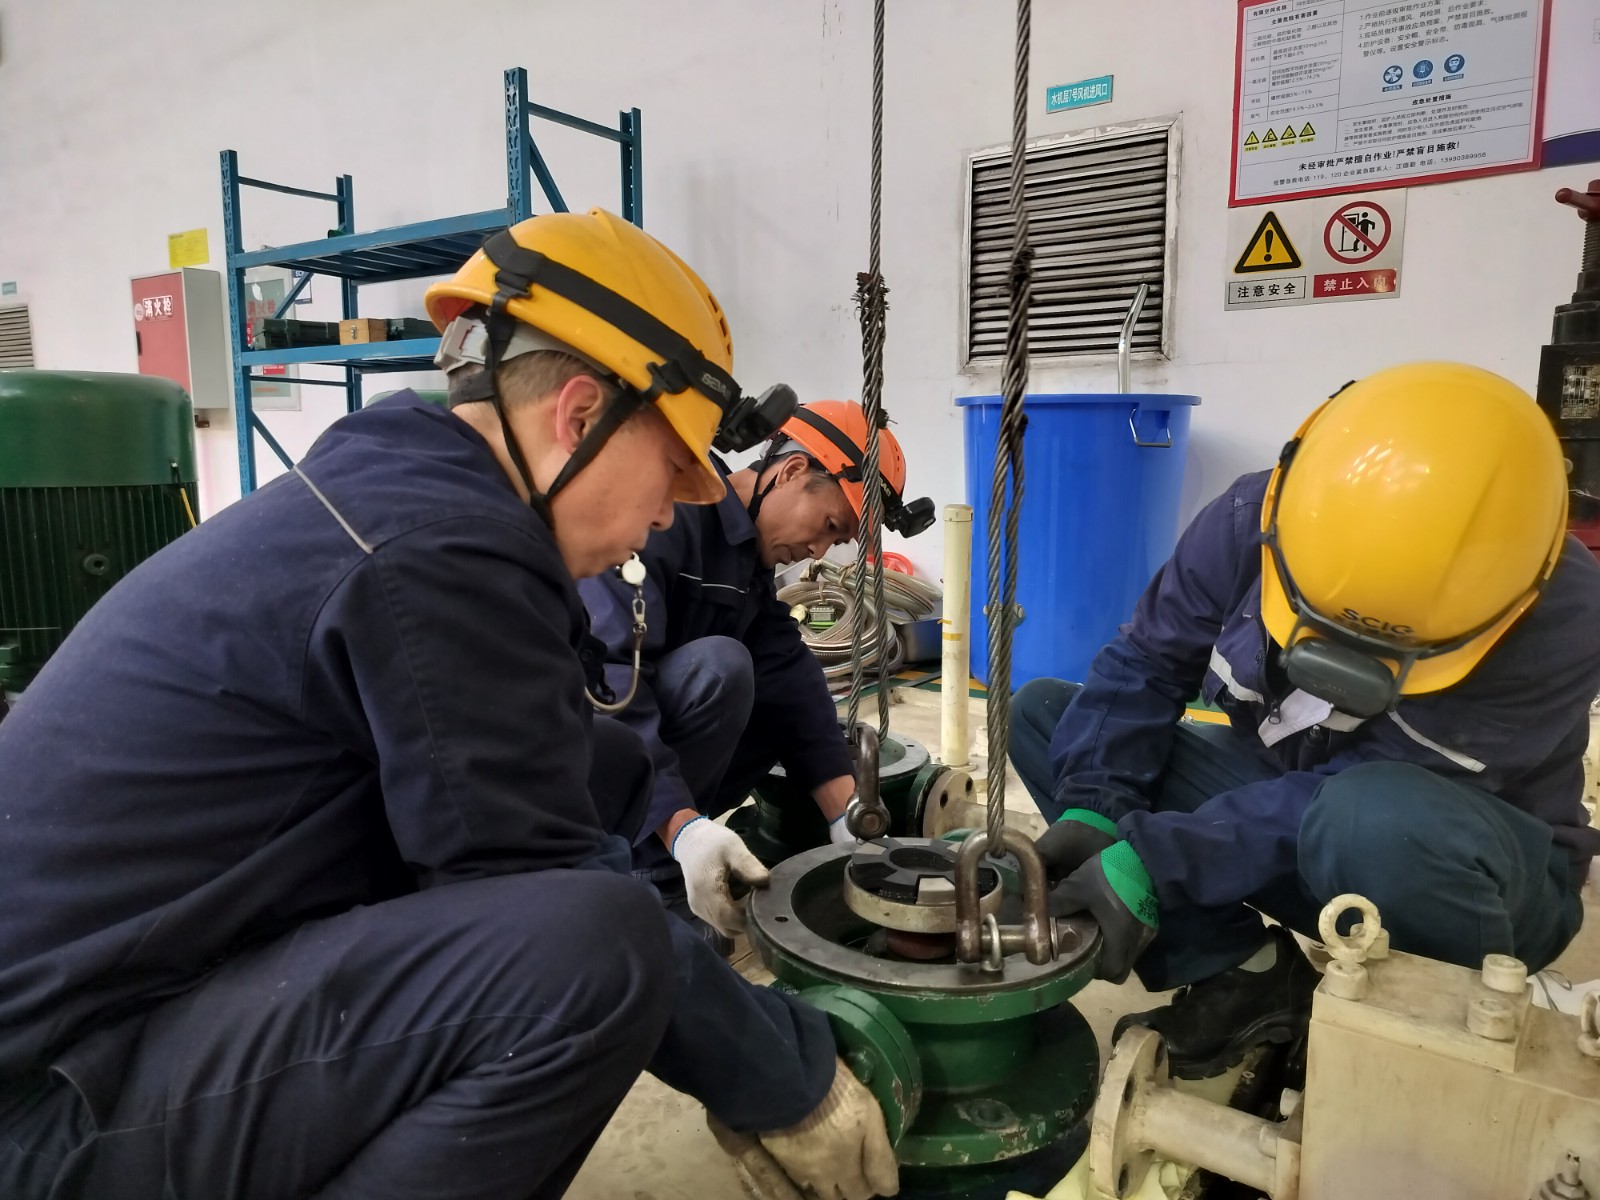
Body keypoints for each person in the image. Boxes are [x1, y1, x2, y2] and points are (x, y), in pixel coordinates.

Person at [0, 209, 897, 1200]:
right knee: (601, 952)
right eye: (666, 473)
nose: (664, 512)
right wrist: (791, 1079)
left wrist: (690, 831)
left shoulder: (402, 496)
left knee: (601, 786)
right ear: (579, 416)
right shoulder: (438, 551)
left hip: (114, 1015)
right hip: (51, 1100)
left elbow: (552, 777)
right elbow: (542, 876)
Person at [1011, 362, 1600, 1080]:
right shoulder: (1253, 519)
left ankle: (1420, 1052)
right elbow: (1146, 666)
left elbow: (1353, 796)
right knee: (1048, 716)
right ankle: (1243, 973)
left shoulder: (1560, 615)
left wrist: (1158, 857)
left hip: (1454, 877)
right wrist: (1095, 809)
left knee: (1368, 821)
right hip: (1302, 821)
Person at [581, 400, 932, 943]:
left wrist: (848, 821)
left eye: (835, 542)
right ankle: (653, 871)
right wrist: (685, 831)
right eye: (828, 526)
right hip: (580, 757)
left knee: (776, 695)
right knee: (722, 667)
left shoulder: (745, 556)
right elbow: (609, 684)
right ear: (791, 470)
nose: (817, 551)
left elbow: (789, 677)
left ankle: (673, 853)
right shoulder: (668, 512)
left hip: (639, 765)